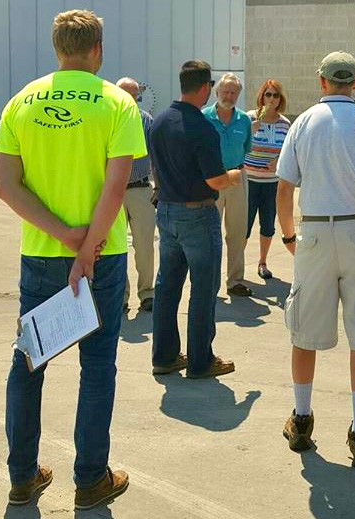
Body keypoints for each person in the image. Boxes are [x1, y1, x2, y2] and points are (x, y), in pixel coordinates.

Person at [0, 9, 146, 508]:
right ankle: (90, 479)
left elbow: (4, 184)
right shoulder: (117, 103)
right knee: (98, 365)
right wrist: (86, 250)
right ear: (97, 50)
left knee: (28, 363)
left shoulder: (21, 102)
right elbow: (117, 182)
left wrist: (63, 236)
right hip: (102, 257)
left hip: (41, 253)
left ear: (57, 49)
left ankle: (21, 476)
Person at [276, 51, 355, 468]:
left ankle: (302, 416)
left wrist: (289, 234)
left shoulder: (304, 122)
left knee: (304, 331)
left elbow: (284, 188)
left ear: (322, 81)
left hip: (314, 229)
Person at [149, 60, 241, 379]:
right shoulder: (203, 127)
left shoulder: (159, 121)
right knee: (203, 288)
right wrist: (234, 175)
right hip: (198, 214)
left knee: (167, 286)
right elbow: (215, 180)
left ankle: (164, 356)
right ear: (205, 88)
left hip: (167, 210)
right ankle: (201, 360)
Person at [202, 73, 253, 297]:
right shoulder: (203, 117)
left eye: (234, 92)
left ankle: (235, 281)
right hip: (211, 180)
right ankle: (208, 282)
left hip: (237, 178)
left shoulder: (244, 120)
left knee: (237, 232)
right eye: (226, 91)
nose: (230, 96)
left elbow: (247, 148)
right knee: (209, 233)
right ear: (217, 92)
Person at [116, 77, 156, 313]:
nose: (130, 99)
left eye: (134, 95)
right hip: (113, 191)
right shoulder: (106, 118)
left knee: (145, 245)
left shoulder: (146, 120)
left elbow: (156, 156)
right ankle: (120, 295)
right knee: (115, 246)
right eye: (124, 94)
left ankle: (147, 292)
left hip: (140, 190)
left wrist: (159, 188)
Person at [244, 79, 291, 280]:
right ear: (261, 96)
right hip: (248, 180)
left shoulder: (284, 124)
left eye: (275, 95)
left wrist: (279, 161)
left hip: (271, 183)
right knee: (243, 225)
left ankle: (262, 262)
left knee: (268, 224)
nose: (271, 99)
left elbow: (289, 152)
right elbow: (238, 145)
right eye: (268, 94)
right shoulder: (249, 119)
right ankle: (237, 265)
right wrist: (250, 131)